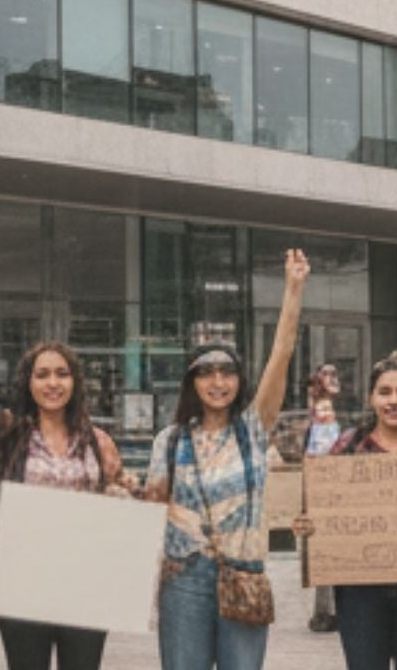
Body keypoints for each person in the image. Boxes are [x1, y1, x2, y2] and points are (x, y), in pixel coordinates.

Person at [144, 249, 309, 670]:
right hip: (184, 578)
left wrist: (293, 292)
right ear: (191, 382)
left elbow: (282, 356)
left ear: (239, 379)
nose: (218, 382)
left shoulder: (253, 431)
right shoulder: (170, 440)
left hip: (244, 573)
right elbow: (150, 514)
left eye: (227, 372)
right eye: (206, 372)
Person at [0, 341, 130, 670]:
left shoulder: (98, 442)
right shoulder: (9, 441)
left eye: (62, 374)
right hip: (23, 581)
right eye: (43, 375)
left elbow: (121, 494)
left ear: (75, 382)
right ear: (29, 383)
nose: (53, 383)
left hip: (85, 582)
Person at [293, 351, 397, 670]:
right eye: (385, 392)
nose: (394, 401)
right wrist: (311, 524)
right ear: (371, 399)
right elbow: (323, 507)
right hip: (360, 594)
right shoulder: (348, 447)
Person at [303, 363, 342, 634]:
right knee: (325, 553)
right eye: (328, 374)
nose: (333, 379)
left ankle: (328, 612)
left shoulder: (328, 418)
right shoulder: (321, 419)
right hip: (324, 492)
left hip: (331, 492)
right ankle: (324, 612)